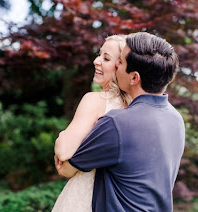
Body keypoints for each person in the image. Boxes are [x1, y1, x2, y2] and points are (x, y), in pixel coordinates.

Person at [56, 32, 185, 211]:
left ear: (134, 78)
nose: (116, 67)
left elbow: (67, 168)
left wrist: (63, 137)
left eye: (120, 63)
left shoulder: (117, 123)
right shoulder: (176, 119)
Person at [52, 35, 132, 212]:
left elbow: (63, 150)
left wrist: (62, 136)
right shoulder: (135, 107)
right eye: (99, 54)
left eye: (106, 58)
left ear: (121, 66)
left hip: (86, 197)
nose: (96, 61)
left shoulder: (95, 100)